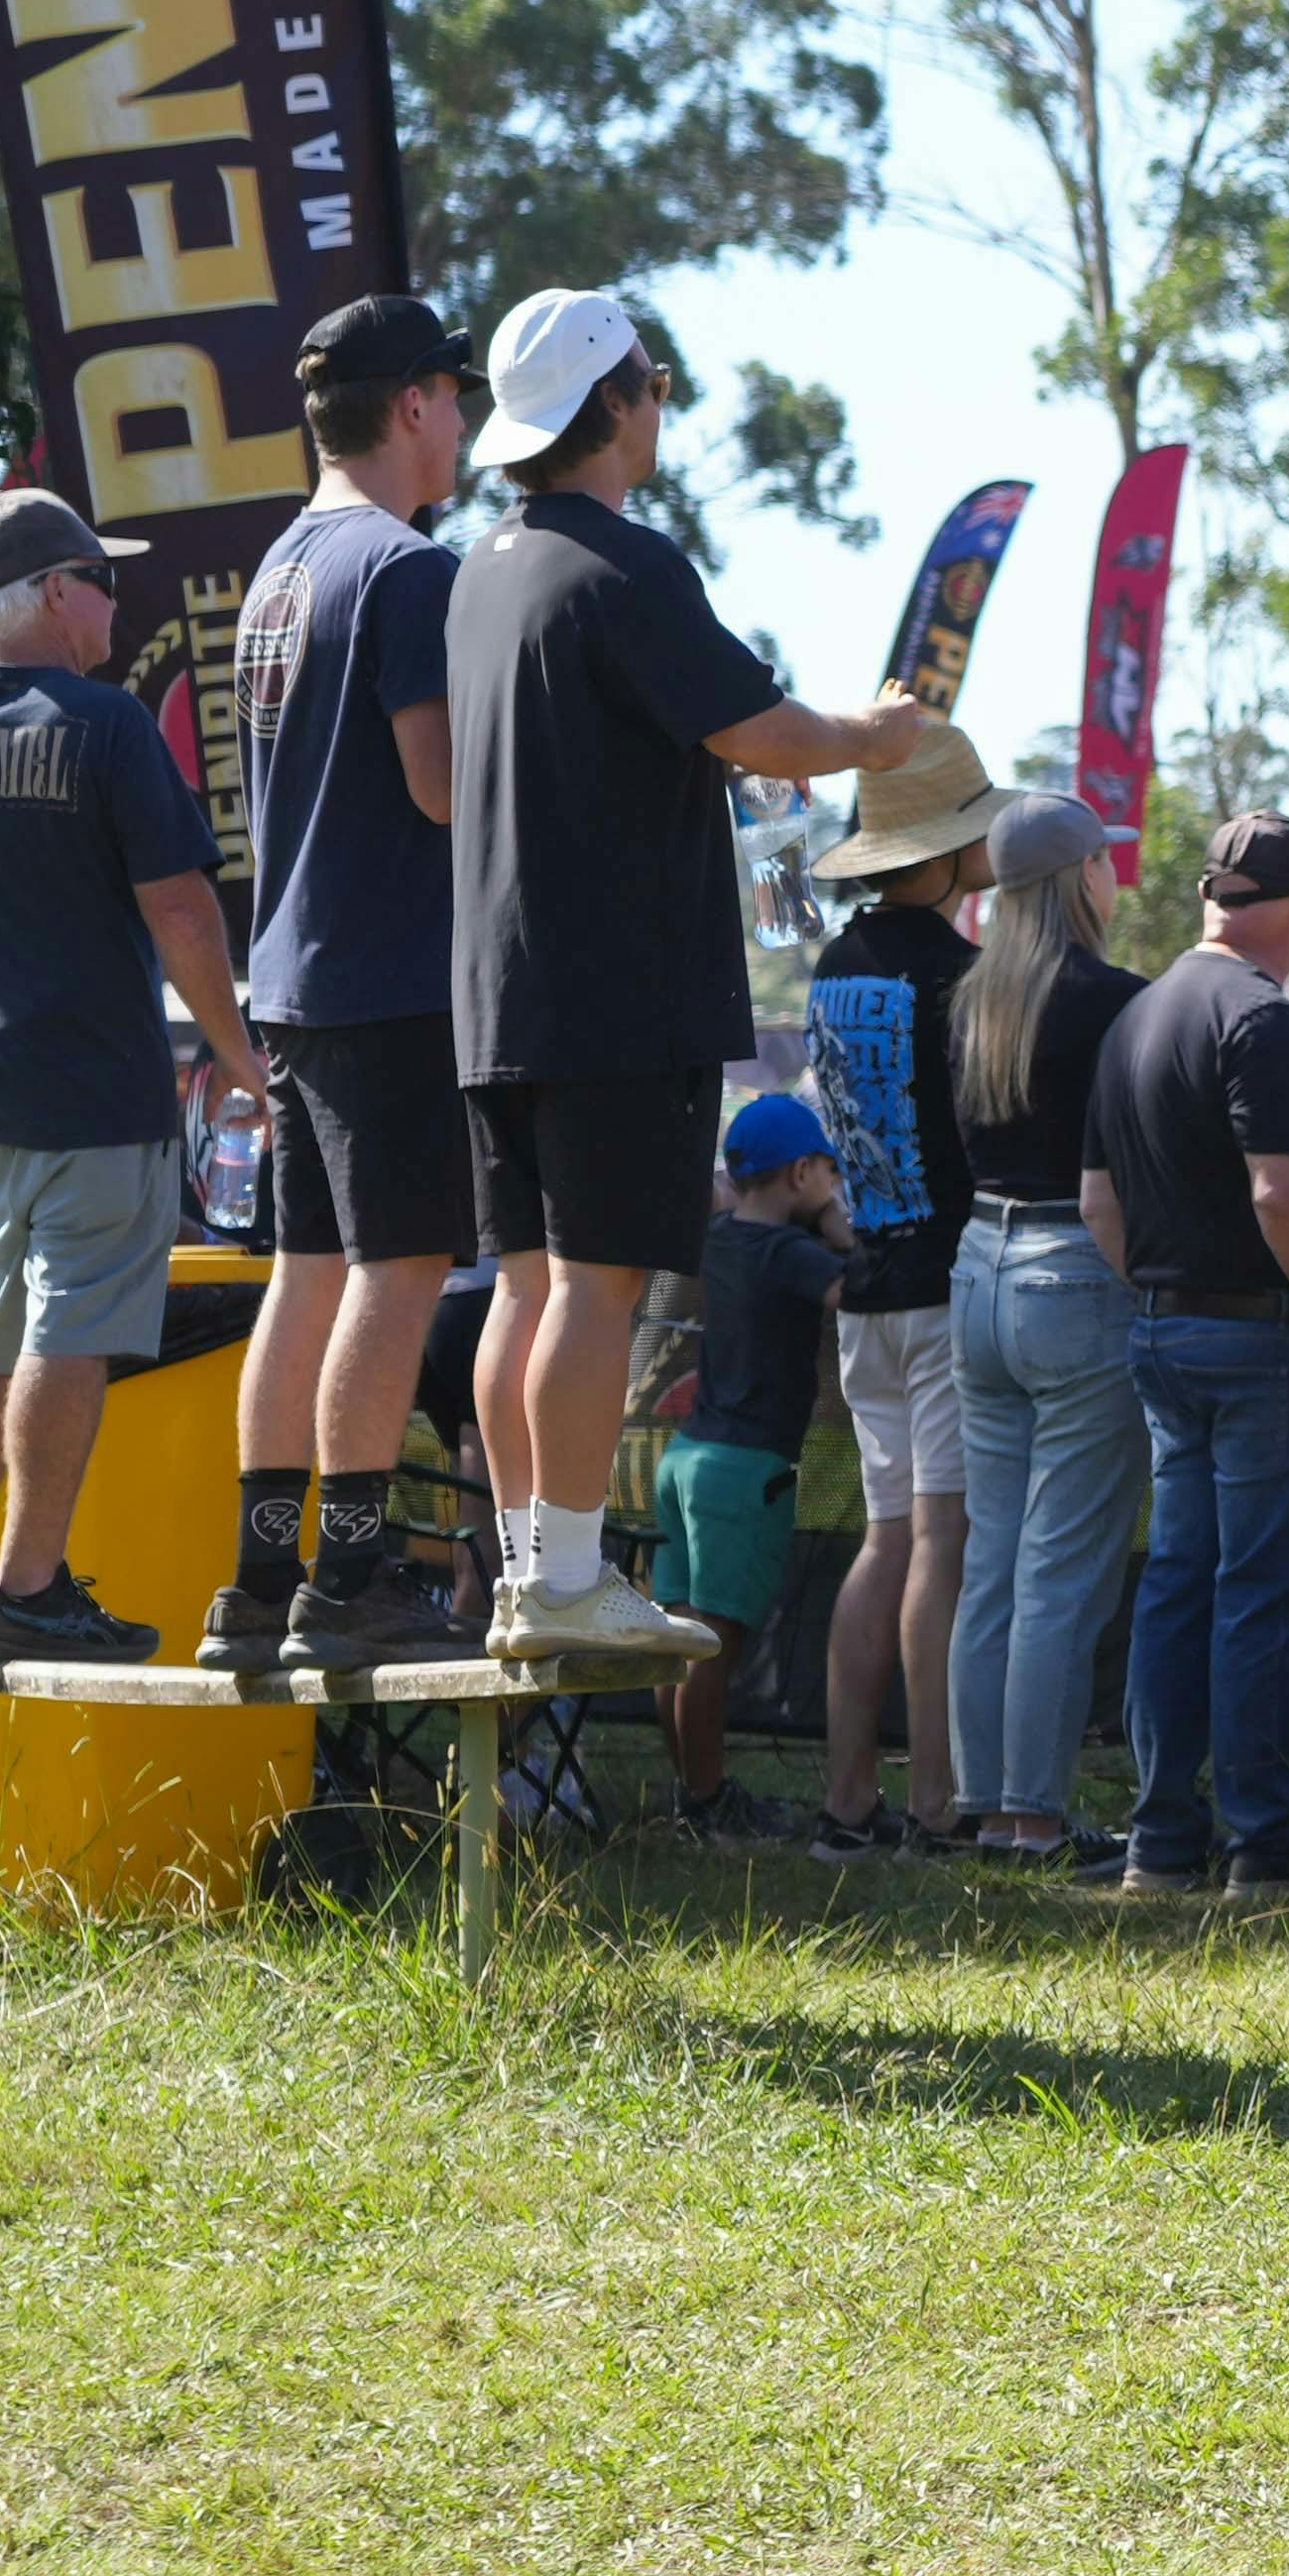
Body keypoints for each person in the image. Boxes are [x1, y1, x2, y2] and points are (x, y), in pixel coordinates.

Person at [443, 288, 930, 1664]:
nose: (661, 402)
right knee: (595, 1287)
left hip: (498, 992)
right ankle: (571, 1575)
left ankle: (535, 1570)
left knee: (529, 1284)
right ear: (612, 401)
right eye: (651, 379)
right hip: (613, 992)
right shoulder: (627, 565)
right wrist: (879, 740)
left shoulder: (483, 564)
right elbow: (764, 731)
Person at [0, 486, 267, 1665]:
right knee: (73, 1327)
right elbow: (185, 914)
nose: (117, 597)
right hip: (94, 1087)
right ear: (54, 593)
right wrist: (244, 1060)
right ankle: (29, 1585)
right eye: (101, 577)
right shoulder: (102, 726)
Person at [214, 293, 490, 1672]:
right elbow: (441, 786)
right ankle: (351, 1572)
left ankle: (259, 1581)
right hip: (388, 968)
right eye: (457, 395)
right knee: (402, 1266)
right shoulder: (409, 570)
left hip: (293, 977)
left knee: (307, 1272)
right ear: (413, 404)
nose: (466, 424)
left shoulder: (281, 565)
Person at [1082, 814, 1289, 1898]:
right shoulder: (1262, 1018)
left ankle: (1162, 1841)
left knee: (1179, 1584)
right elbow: (1284, 1190)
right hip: (1264, 1335)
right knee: (1255, 1589)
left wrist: (1160, 1301)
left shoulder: (1135, 1013)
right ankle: (1264, 1838)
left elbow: (1097, 1202)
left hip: (1164, 1324)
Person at [800, 718, 1008, 1854]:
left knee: (884, 1544)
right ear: (939, 852)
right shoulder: (962, 978)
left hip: (867, 1284)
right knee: (943, 1544)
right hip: (941, 1289)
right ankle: (936, 1802)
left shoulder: (836, 964)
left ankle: (846, 1799)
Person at [941, 791, 1146, 1869]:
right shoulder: (1117, 1000)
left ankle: (986, 1803)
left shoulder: (971, 1001)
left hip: (977, 1268)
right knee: (1061, 1567)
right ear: (1083, 877)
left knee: (995, 1560)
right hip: (1074, 1271)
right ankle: (1033, 1814)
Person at [653, 1091, 843, 1844]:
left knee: (680, 1640)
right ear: (801, 1173)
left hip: (686, 1459)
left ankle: (694, 1794)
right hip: (744, 1470)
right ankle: (706, 1802)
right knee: (713, 1648)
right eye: (828, 1169)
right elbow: (854, 1290)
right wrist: (841, 1229)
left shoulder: (723, 1237)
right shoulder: (793, 1252)